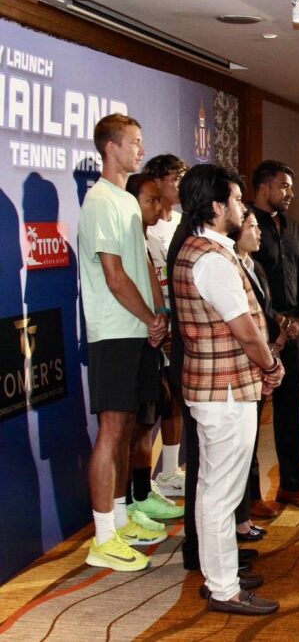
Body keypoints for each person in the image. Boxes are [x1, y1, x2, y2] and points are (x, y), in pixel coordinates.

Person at [174, 164, 283, 615]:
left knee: (213, 488)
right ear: (217, 207)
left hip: (216, 388)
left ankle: (217, 575)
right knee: (221, 492)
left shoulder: (200, 249)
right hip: (226, 391)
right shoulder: (213, 260)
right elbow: (245, 331)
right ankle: (223, 589)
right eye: (237, 200)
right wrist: (271, 365)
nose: (242, 206)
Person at [78, 114, 168, 571]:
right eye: (134, 142)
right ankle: (102, 538)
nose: (141, 150)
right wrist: (150, 318)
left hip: (138, 331)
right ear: (111, 148)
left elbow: (142, 266)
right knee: (111, 431)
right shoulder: (99, 201)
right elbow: (114, 277)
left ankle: (119, 518)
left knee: (130, 427)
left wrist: (159, 315)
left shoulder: (128, 201)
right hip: (114, 331)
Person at [251, 160, 299, 510]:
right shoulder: (245, 225)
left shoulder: (294, 227)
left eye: (291, 186)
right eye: (284, 185)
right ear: (264, 187)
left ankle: (292, 486)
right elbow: (246, 281)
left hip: (295, 331)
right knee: (252, 416)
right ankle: (250, 496)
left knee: (291, 411)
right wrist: (276, 319)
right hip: (257, 330)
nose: (290, 192)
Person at [122, 174, 184, 525]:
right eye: (151, 200)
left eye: (160, 200)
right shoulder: (125, 241)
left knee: (148, 420)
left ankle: (142, 494)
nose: (159, 208)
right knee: (131, 427)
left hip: (154, 343)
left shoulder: (146, 242)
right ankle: (128, 503)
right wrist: (152, 320)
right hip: (133, 342)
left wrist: (161, 320)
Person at [231, 208, 286, 541]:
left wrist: (279, 337)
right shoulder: (230, 267)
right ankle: (242, 513)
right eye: (251, 226)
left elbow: (264, 311)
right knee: (240, 447)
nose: (258, 232)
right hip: (243, 366)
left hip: (263, 357)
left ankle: (244, 515)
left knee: (251, 438)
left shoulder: (256, 266)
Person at [143, 154, 189, 498]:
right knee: (152, 403)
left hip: (184, 321)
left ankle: (170, 470)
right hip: (154, 324)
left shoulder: (185, 222)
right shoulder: (143, 224)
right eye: (174, 179)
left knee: (178, 399)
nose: (180, 186)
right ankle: (142, 483)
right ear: (156, 181)